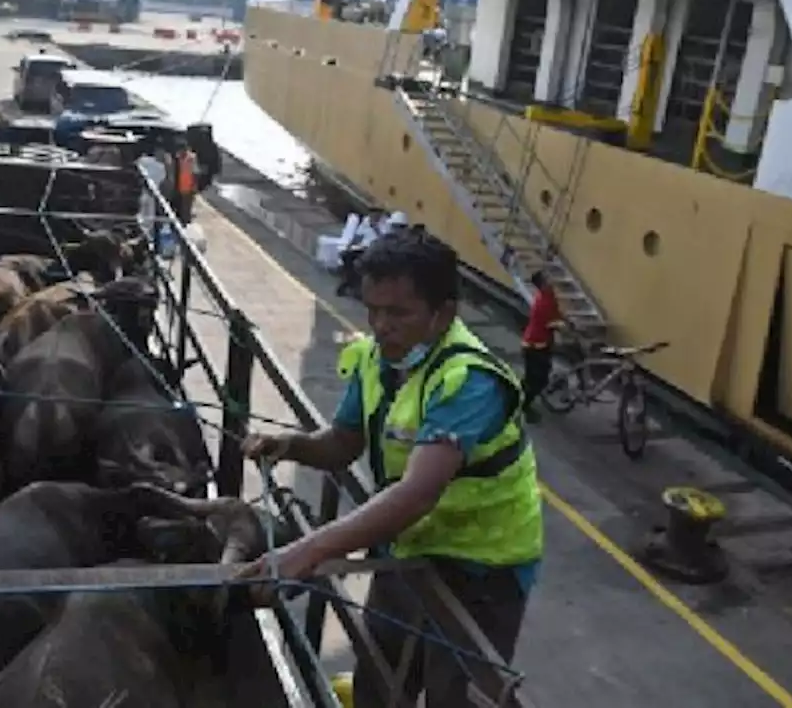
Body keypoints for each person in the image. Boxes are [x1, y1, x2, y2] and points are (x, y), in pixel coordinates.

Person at [238, 228, 543, 708]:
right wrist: (291, 445)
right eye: (373, 309)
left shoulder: (468, 382)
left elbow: (417, 493)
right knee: (379, 678)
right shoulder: (378, 359)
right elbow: (341, 443)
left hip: (481, 570)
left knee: (453, 696)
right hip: (409, 547)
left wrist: (310, 549)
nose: (381, 326)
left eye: (398, 313)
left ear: (443, 313)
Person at [520, 270, 561, 422]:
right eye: (547, 279)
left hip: (542, 344)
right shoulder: (541, 302)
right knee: (536, 380)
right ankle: (523, 406)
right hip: (534, 346)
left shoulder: (550, 295)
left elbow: (555, 313)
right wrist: (564, 325)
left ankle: (517, 397)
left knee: (537, 377)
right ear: (542, 285)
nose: (551, 280)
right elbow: (549, 323)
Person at [335, 208, 384, 297]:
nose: (374, 217)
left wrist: (376, 228)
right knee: (347, 257)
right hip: (363, 248)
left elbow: (384, 239)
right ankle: (348, 282)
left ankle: (349, 284)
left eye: (376, 215)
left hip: (375, 250)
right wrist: (350, 245)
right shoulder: (366, 222)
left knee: (362, 263)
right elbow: (358, 235)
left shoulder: (384, 224)